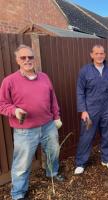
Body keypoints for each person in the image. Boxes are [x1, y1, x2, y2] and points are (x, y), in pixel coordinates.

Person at [0, 45, 64, 200]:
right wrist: (14, 111)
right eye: (23, 57)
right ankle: (18, 193)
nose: (27, 60)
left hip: (48, 125)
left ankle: (52, 173)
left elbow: (52, 99)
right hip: (25, 130)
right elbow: (2, 104)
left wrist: (56, 117)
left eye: (30, 57)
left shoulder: (44, 77)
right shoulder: (9, 81)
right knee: (22, 164)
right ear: (17, 60)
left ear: (34, 59)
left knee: (53, 152)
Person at [74, 45, 108, 175]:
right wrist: (83, 110)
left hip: (106, 109)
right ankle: (81, 163)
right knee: (86, 136)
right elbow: (80, 92)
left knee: (107, 135)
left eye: (102, 53)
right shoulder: (85, 71)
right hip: (90, 110)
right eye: (97, 53)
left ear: (104, 55)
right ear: (92, 55)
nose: (99, 56)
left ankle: (106, 159)